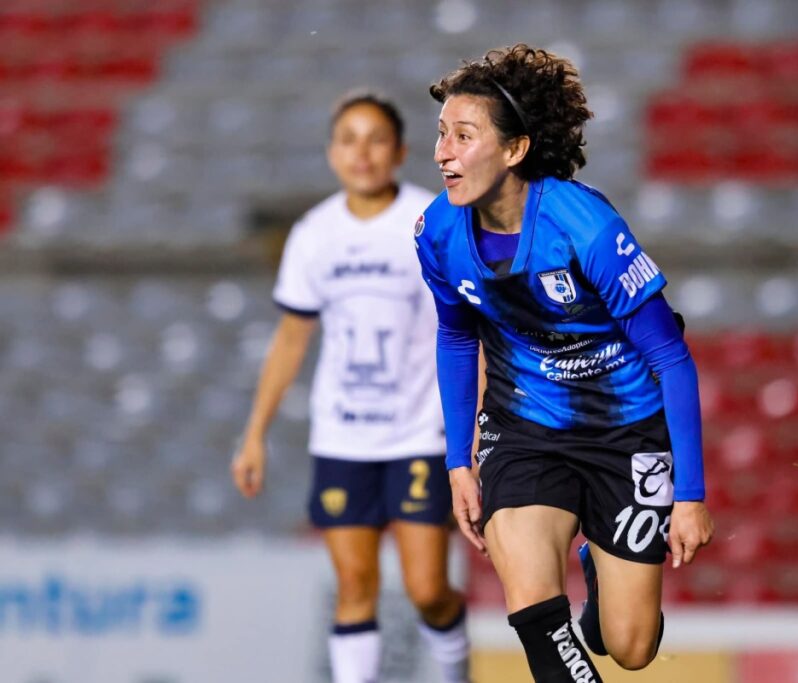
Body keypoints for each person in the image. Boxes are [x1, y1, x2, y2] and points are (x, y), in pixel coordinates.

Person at [414, 45, 714, 682]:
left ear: (516, 149)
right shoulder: (437, 232)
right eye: (441, 135)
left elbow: (672, 358)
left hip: (627, 430)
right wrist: (459, 462)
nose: (442, 153)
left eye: (463, 137)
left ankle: (601, 580)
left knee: (629, 647)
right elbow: (456, 339)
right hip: (524, 429)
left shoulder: (588, 230)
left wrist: (689, 495)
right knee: (534, 606)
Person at [231, 91, 471, 683]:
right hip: (343, 436)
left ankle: (455, 667)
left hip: (419, 431)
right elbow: (291, 338)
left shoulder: (430, 221)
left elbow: (468, 330)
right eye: (349, 139)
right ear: (332, 153)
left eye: (375, 139)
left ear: (401, 151)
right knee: (355, 586)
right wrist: (254, 433)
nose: (362, 153)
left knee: (427, 589)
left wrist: (472, 430)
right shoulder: (314, 233)